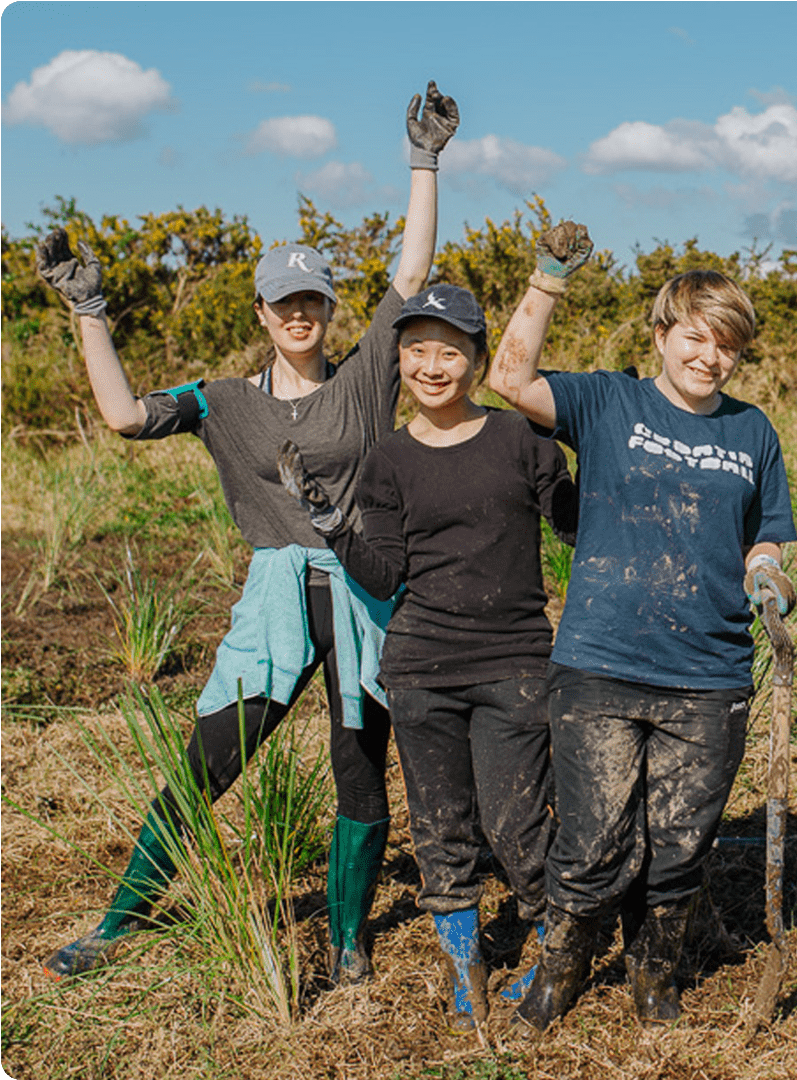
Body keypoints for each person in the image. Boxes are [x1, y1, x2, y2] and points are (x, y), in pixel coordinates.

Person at [34, 82, 457, 983]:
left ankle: (348, 943)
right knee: (207, 764)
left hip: (363, 596)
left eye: (311, 299)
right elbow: (118, 415)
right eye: (282, 303)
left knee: (359, 772)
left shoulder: (363, 376)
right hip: (274, 599)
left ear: (329, 308)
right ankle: (120, 922)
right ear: (261, 314)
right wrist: (89, 311)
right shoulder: (221, 403)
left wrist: (423, 161)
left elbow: (412, 275)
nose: (298, 313)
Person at [279, 244, 584, 1026]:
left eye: (450, 351)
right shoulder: (388, 460)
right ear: (401, 361)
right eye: (416, 351)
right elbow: (381, 576)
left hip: (515, 662)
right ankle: (464, 963)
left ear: (479, 361)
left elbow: (578, 526)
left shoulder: (523, 442)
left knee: (516, 828)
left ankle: (557, 950)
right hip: (419, 668)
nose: (431, 365)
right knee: (441, 827)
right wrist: (332, 524)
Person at [488, 265, 797, 1034]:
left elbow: (765, 537)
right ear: (661, 335)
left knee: (680, 846)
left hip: (711, 673)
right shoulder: (606, 401)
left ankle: (654, 972)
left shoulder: (752, 431)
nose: (709, 357)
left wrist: (769, 581)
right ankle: (561, 967)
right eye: (695, 337)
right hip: (601, 664)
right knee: (592, 839)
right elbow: (508, 377)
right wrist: (547, 281)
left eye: (726, 346)